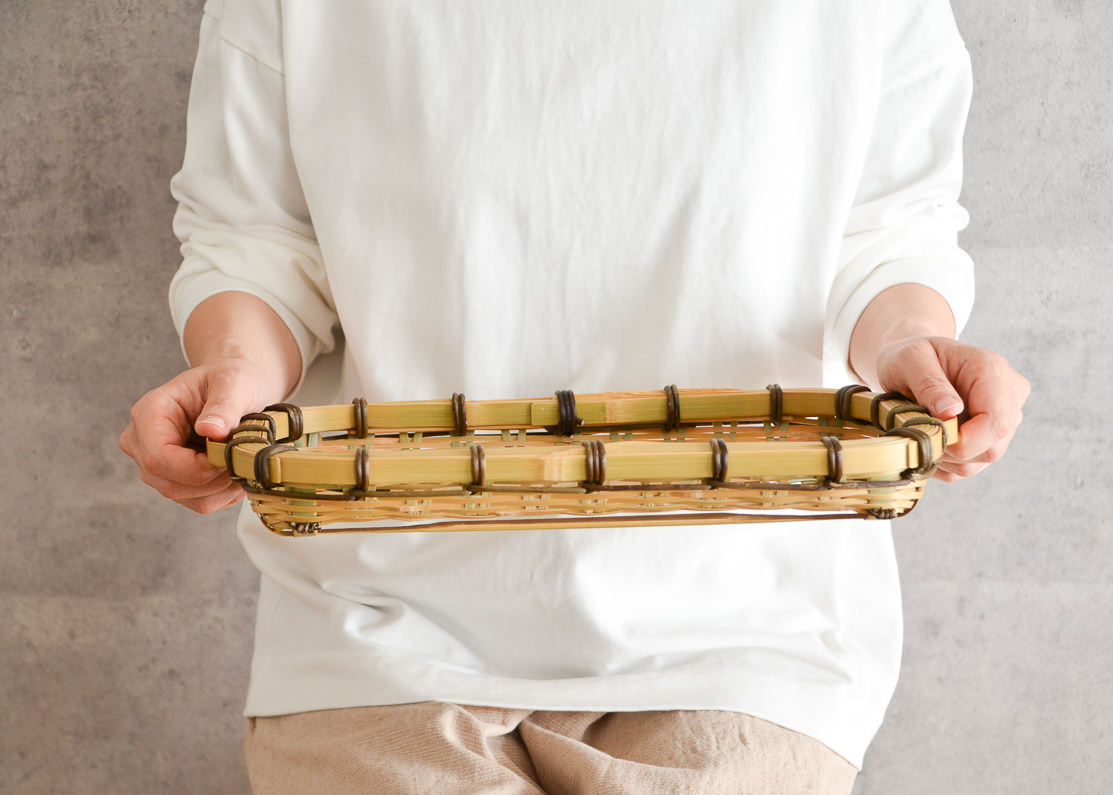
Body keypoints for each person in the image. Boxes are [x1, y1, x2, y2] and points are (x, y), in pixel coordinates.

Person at [120, 1, 1030, 792]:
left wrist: (913, 348)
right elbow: (258, 237)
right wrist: (235, 372)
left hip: (753, 626)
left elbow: (884, 229)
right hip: (374, 629)